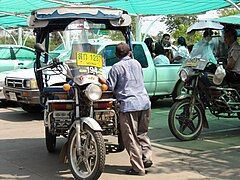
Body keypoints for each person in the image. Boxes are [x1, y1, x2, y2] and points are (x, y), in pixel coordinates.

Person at [99, 42, 153, 176]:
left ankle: (138, 168)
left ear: (117, 55)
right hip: (145, 103)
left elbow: (110, 87)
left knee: (131, 138)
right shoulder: (137, 63)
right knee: (142, 134)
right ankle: (146, 158)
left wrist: (101, 80)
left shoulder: (116, 68)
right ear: (129, 53)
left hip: (129, 105)